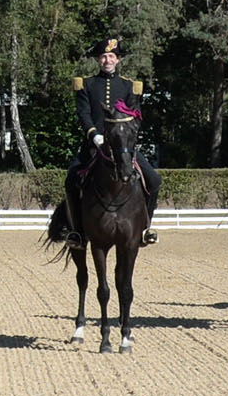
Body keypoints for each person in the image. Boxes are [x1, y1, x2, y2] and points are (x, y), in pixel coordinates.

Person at [66, 34, 161, 247]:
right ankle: (77, 233)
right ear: (97, 60)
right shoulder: (86, 85)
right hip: (93, 147)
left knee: (154, 180)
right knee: (71, 180)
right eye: (103, 57)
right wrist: (94, 135)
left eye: (111, 56)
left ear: (118, 59)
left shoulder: (129, 87)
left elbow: (134, 116)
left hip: (123, 149)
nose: (107, 61)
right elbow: (84, 114)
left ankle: (145, 228)